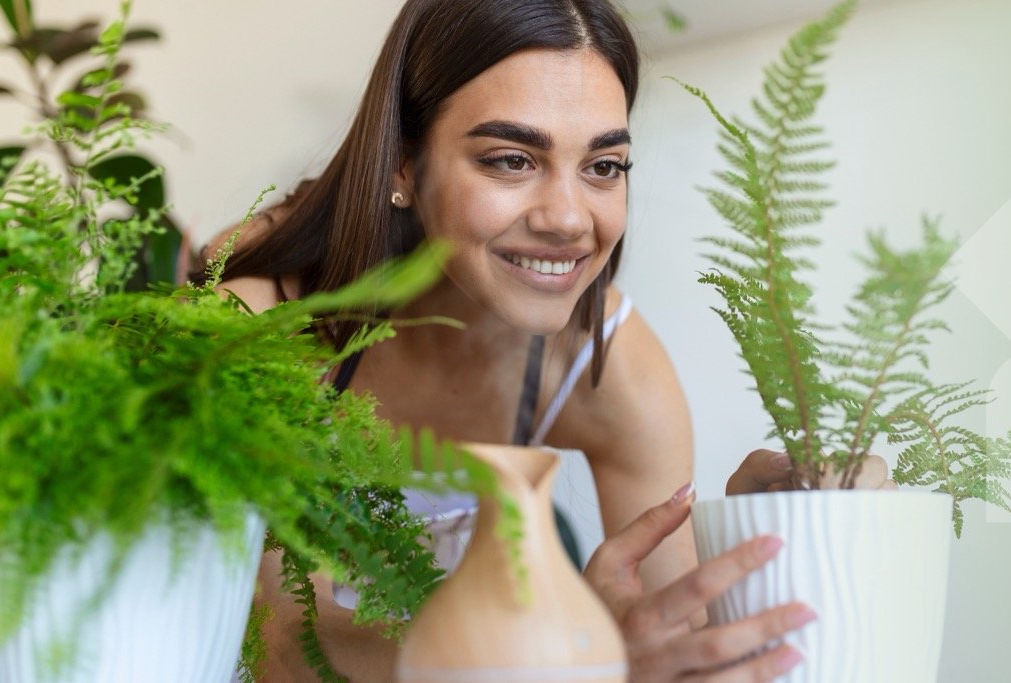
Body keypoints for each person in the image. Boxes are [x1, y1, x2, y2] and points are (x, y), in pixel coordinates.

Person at [206, 1, 893, 680]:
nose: (568, 219)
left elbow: (675, 648)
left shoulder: (605, 361)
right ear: (402, 165)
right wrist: (575, 650)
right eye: (512, 160)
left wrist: (762, 540)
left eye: (604, 166)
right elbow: (285, 644)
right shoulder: (256, 324)